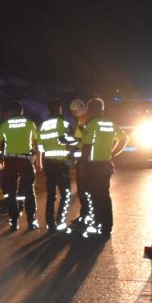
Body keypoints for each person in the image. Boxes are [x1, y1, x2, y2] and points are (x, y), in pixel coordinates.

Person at [79, 98, 128, 237]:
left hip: (93, 165)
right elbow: (124, 139)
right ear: (102, 109)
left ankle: (97, 223)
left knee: (94, 195)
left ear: (90, 110)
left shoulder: (91, 124)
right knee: (104, 195)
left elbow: (87, 146)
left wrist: (82, 165)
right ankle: (107, 226)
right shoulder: (111, 124)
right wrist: (113, 153)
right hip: (106, 164)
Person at [0, 101, 41, 231]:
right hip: (25, 160)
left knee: (10, 191)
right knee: (29, 191)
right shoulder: (29, 123)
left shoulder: (5, 124)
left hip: (10, 161)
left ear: (10, 112)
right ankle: (31, 221)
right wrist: (39, 162)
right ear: (22, 111)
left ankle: (14, 221)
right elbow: (35, 144)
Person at [38, 98, 75, 232]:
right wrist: (75, 141)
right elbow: (69, 140)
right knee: (65, 193)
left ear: (48, 109)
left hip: (48, 163)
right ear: (60, 108)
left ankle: (50, 223)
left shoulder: (42, 126)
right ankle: (60, 221)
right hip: (61, 163)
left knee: (51, 194)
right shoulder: (64, 123)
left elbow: (40, 146)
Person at [69, 98, 91, 229]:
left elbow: (86, 140)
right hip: (83, 157)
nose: (73, 113)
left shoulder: (89, 121)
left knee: (86, 190)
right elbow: (78, 138)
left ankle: (88, 217)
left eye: (75, 111)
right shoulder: (80, 121)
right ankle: (85, 215)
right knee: (82, 190)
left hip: (88, 159)